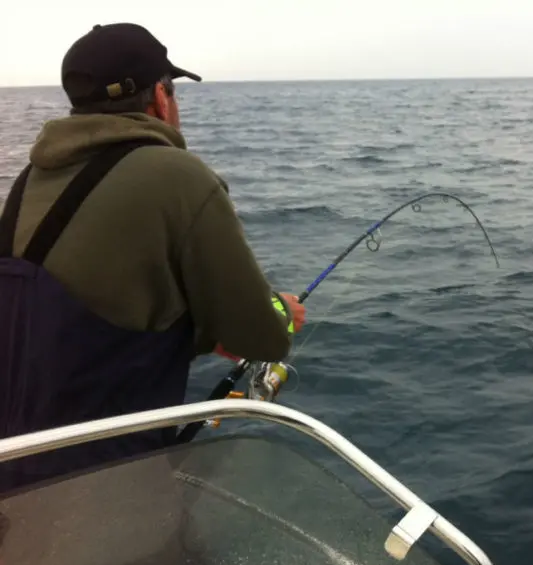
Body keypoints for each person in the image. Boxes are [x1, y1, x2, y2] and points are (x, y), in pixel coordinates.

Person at [0, 23, 306, 492]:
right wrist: (280, 311)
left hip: (16, 472)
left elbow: (88, 320)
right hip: (106, 483)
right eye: (173, 93)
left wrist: (201, 335)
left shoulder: (26, 185)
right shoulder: (178, 176)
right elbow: (261, 338)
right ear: (160, 98)